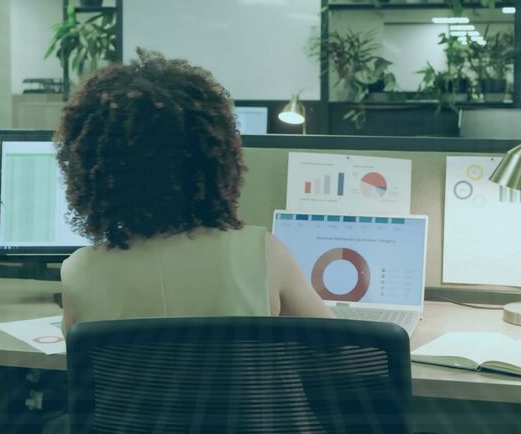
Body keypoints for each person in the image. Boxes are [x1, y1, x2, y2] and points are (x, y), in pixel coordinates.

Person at [57, 51, 331, 333]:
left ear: (95, 169)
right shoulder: (261, 254)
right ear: (213, 158)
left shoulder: (79, 272)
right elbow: (346, 350)